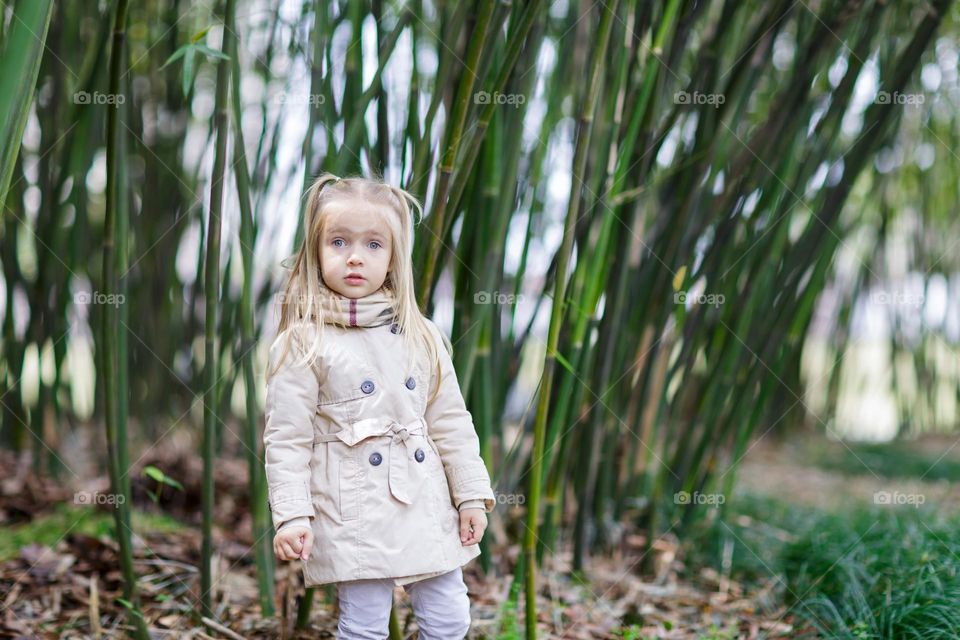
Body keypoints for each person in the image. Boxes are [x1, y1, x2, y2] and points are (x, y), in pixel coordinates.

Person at [263, 173, 496, 639]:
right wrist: (292, 514)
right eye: (338, 241)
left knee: (450, 617)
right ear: (315, 251)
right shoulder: (303, 343)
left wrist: (470, 495)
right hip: (352, 509)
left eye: (373, 244)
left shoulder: (421, 333)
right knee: (364, 627)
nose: (355, 256)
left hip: (423, 499)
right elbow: (287, 439)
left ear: (393, 259)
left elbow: (450, 420)